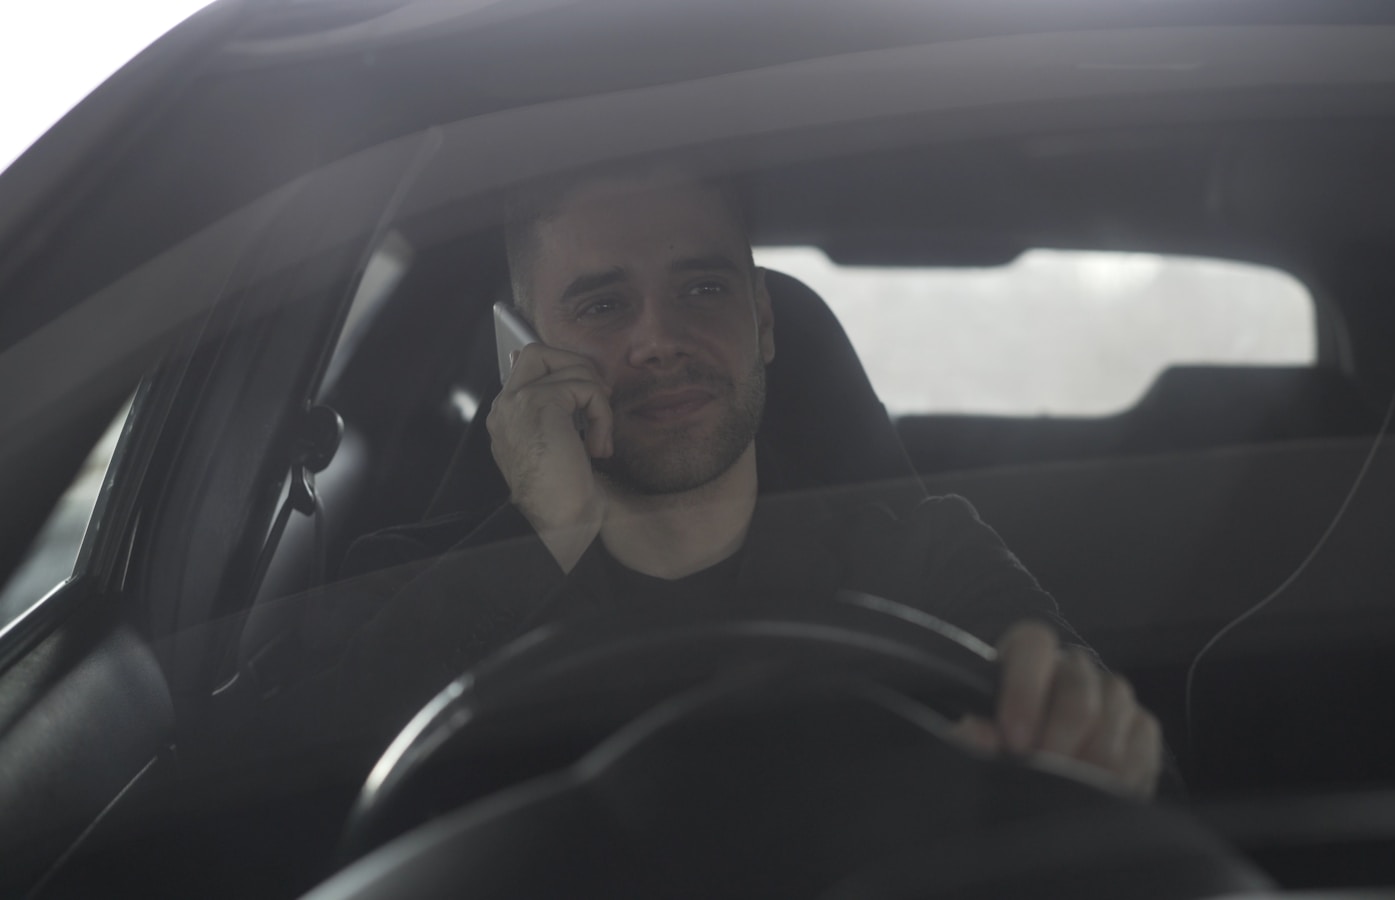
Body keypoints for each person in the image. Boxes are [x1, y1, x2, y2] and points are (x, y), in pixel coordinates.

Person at [275, 166, 1164, 798]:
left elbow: (1138, 796)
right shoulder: (415, 581)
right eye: (601, 303)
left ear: (764, 324)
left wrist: (1093, 738)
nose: (658, 338)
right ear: (522, 353)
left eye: (702, 288)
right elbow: (283, 809)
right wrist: (540, 539)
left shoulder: (927, 555)